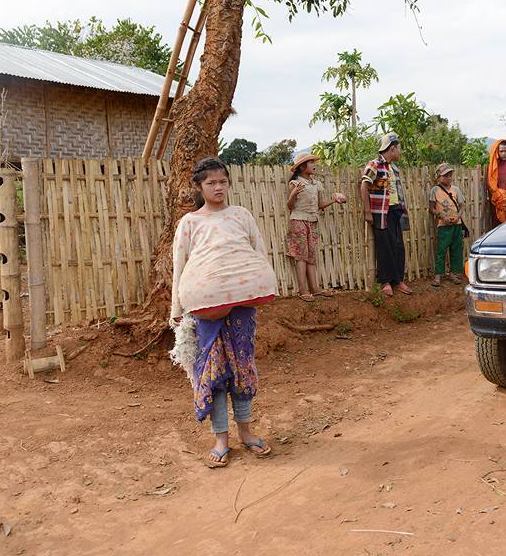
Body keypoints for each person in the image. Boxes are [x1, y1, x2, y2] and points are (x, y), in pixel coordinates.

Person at [170, 157, 278, 469]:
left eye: (223, 182)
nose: (218, 188)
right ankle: (221, 438)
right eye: (211, 183)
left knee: (242, 368)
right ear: (199, 187)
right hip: (207, 314)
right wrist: (177, 309)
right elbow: (180, 265)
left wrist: (261, 281)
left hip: (241, 308)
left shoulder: (241, 215)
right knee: (213, 373)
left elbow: (258, 253)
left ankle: (245, 432)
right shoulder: (190, 223)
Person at [286, 153, 347, 302]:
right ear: (302, 167)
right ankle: (303, 290)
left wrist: (334, 200)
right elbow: (290, 206)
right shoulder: (295, 184)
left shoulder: (316, 184)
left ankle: (314, 288)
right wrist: (293, 194)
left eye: (314, 162)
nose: (315, 165)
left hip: (312, 221)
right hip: (298, 220)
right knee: (301, 255)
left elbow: (319, 205)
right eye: (311, 162)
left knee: (311, 254)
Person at [360, 133, 411, 297]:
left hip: (396, 211)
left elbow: (396, 191)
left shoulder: (394, 168)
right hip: (382, 212)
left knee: (398, 247)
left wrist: (403, 208)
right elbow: (364, 186)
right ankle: (385, 282)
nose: (400, 152)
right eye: (399, 148)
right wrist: (367, 211)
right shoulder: (375, 165)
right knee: (384, 247)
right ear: (392, 148)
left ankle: (398, 280)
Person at [428, 163, 466, 287]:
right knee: (441, 250)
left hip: (456, 224)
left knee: (456, 249)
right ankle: (438, 275)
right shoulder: (435, 190)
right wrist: (441, 216)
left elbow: (462, 206)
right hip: (443, 226)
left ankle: (453, 273)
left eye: (450, 175)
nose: (448, 178)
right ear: (438, 177)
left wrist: (458, 217)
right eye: (445, 176)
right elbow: (431, 208)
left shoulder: (456, 190)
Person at [486, 138, 506, 225]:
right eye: (501, 151)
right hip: (499, 202)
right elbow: (492, 185)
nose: (504, 154)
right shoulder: (494, 166)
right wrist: (500, 195)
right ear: (497, 151)